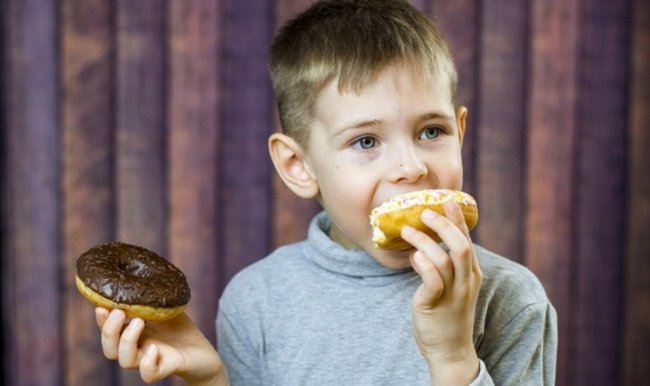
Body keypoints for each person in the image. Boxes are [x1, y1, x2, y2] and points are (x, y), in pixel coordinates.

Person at [96, 0, 558, 384]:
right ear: (299, 166)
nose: (411, 168)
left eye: (431, 131)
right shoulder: (257, 300)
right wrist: (211, 379)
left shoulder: (511, 300)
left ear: (460, 131)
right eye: (366, 141)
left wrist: (454, 358)